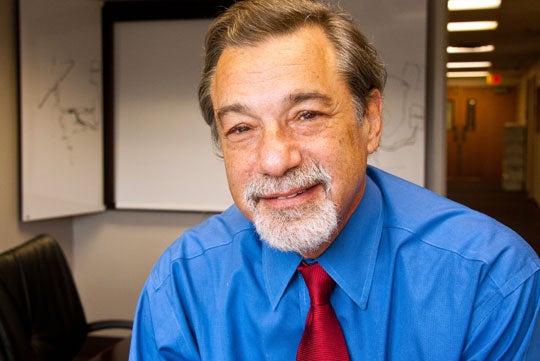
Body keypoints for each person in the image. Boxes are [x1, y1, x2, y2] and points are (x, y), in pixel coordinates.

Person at [129, 0, 540, 359]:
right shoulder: (182, 284)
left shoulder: (490, 278)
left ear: (371, 121)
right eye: (241, 128)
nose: (274, 161)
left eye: (306, 115)